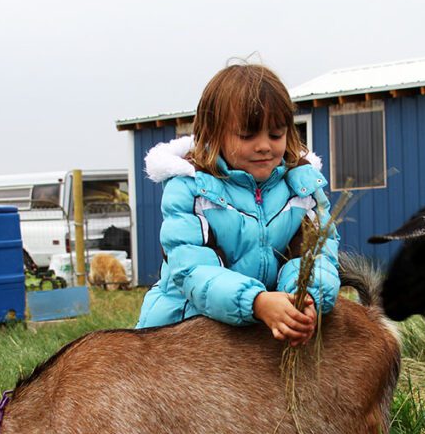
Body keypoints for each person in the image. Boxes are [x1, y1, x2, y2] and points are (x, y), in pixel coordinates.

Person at [135, 62, 340, 346]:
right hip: (184, 326)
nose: (264, 146)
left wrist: (303, 296)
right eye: (247, 136)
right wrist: (255, 301)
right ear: (213, 133)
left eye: (276, 134)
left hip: (266, 318)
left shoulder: (302, 188)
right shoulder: (191, 188)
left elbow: (317, 256)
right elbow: (192, 270)